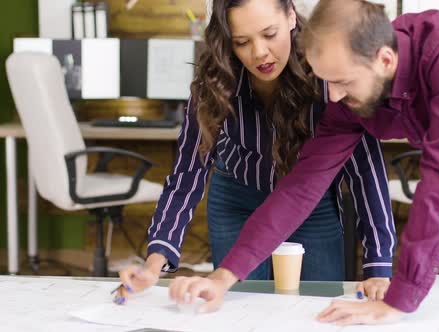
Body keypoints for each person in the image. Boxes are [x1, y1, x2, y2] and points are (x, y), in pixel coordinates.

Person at [166, 1, 439, 331]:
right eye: (325, 81)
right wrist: (224, 277)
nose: (331, 97)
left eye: (342, 82)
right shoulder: (348, 93)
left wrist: (397, 299)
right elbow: (299, 189)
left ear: (384, 60)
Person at [116, 0, 397, 305]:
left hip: (310, 206)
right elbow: (187, 176)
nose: (260, 52)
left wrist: (378, 267)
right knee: (242, 307)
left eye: (269, 33)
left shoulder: (329, 69)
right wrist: (154, 263)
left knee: (316, 308)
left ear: (291, 16)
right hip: (237, 202)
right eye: (242, 42)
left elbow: (366, 172)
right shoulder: (215, 82)